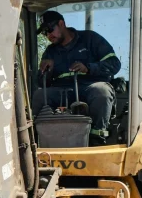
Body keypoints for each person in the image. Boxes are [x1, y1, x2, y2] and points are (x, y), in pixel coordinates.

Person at [31, 10, 121, 146]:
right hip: (61, 91)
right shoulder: (50, 51)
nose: (48, 35)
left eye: (50, 30)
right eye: (45, 33)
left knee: (101, 91)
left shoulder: (91, 39)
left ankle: (96, 139)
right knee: (39, 95)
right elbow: (42, 83)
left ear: (61, 24)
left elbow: (114, 64)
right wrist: (47, 72)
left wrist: (89, 68)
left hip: (89, 87)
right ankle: (35, 140)